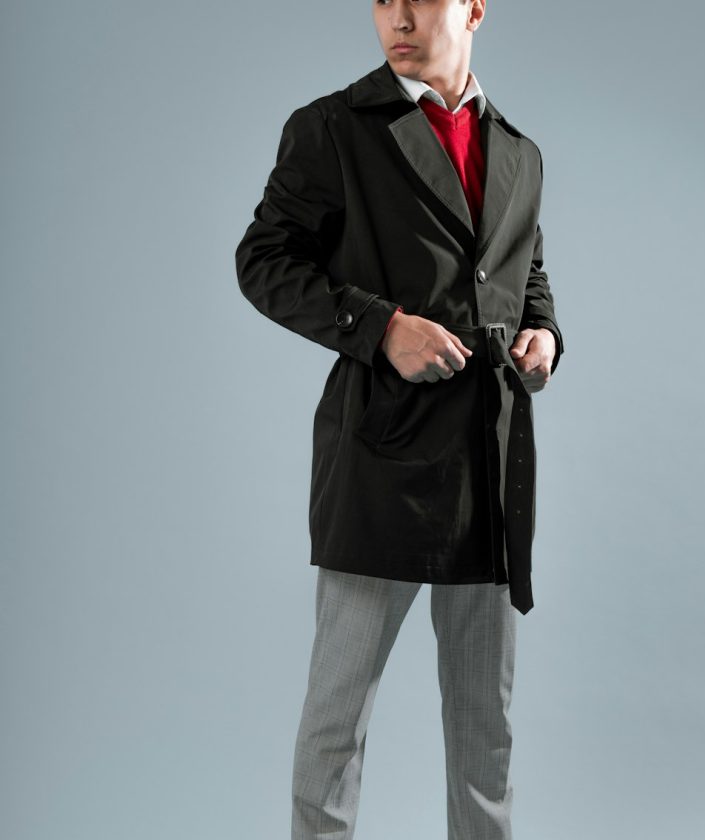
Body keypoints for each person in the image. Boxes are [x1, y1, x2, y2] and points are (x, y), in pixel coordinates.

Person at [235, 1, 564, 837]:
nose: (399, 18)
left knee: (487, 733)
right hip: (380, 460)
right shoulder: (334, 128)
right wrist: (381, 328)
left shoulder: (518, 151)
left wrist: (546, 335)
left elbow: (526, 273)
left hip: (489, 467)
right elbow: (264, 260)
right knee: (336, 723)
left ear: (475, 8)